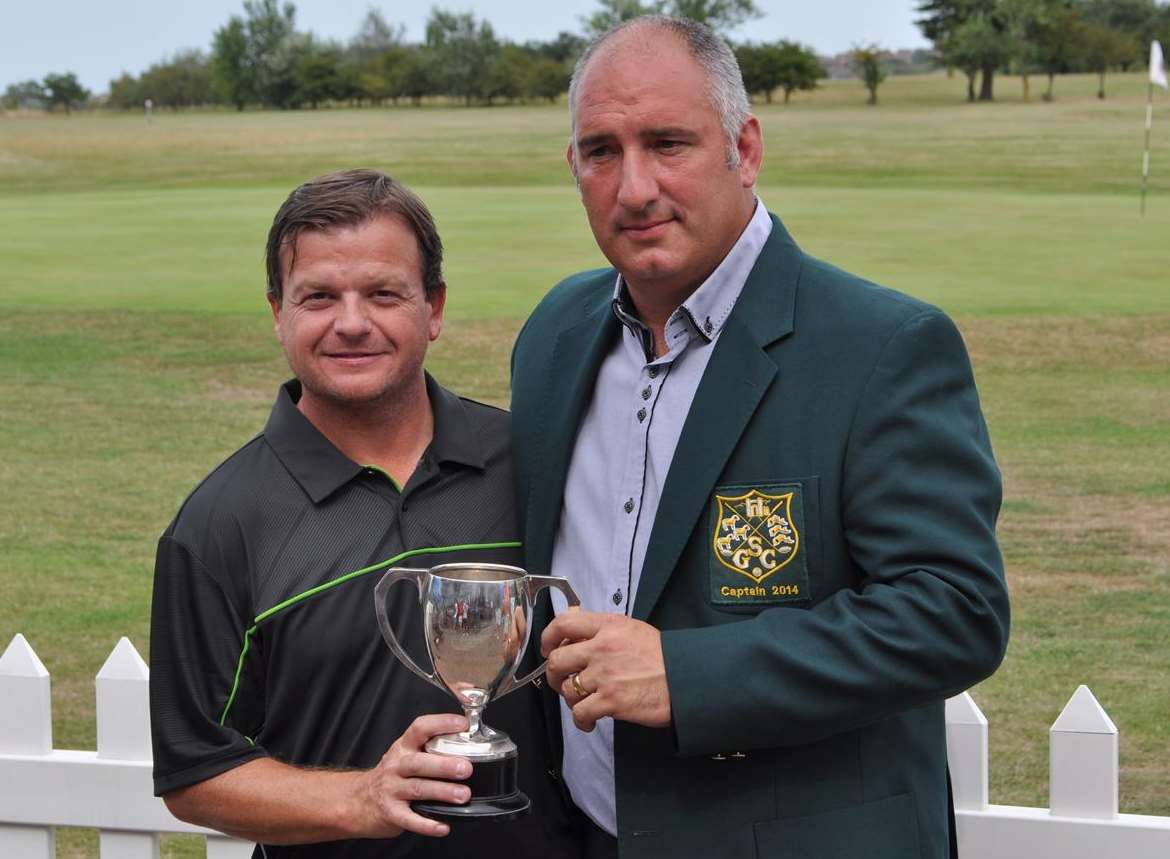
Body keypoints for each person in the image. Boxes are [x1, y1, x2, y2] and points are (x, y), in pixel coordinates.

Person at [509, 16, 1010, 859]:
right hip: (589, 835)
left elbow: (954, 612)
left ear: (745, 148)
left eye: (668, 143)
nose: (633, 188)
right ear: (573, 167)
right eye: (601, 151)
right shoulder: (556, 332)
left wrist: (689, 675)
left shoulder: (881, 346)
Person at [149, 169, 576, 858]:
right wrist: (361, 797)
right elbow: (194, 772)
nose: (352, 323)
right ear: (277, 313)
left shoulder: (528, 464)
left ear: (433, 308)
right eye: (318, 296)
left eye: (383, 292)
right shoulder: (220, 522)